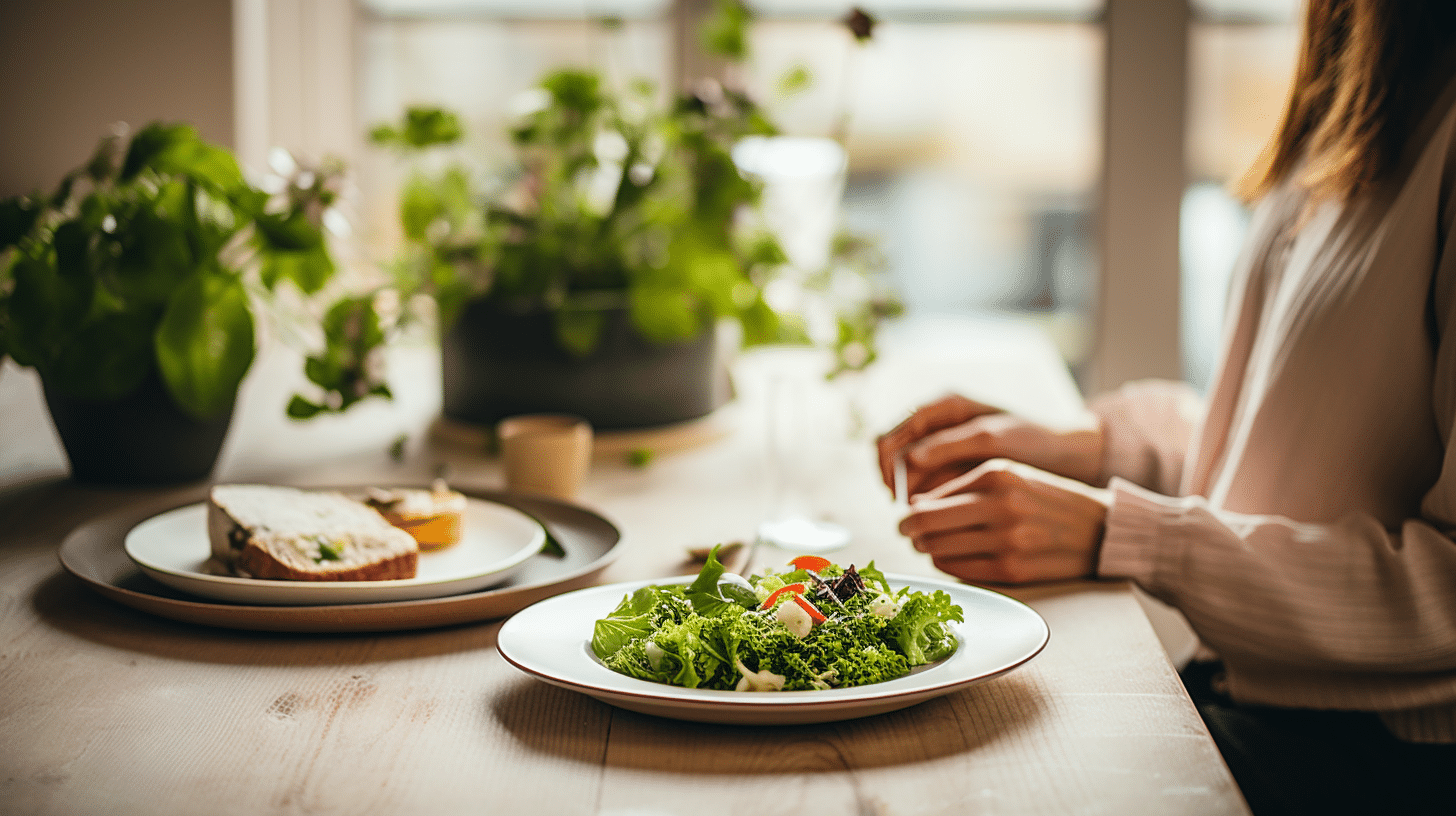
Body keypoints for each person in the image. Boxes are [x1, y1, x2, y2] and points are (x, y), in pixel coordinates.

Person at [875, 1, 1456, 813]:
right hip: (1260, 697)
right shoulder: (1360, 80)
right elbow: (1293, 462)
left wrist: (1123, 534)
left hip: (1373, 759)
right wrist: (1090, 447)